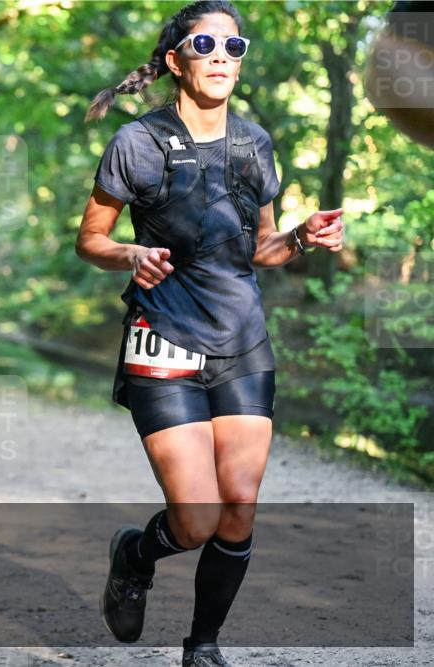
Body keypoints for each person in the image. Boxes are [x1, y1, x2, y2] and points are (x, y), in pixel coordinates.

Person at [75, 2, 345, 666]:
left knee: (240, 505)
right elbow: (91, 240)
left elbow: (262, 250)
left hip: (242, 342)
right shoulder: (137, 142)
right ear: (176, 61)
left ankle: (203, 645)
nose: (222, 54)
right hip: (162, 337)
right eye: (205, 42)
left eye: (234, 44)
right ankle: (136, 555)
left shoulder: (255, 143)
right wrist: (130, 255)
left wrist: (302, 238)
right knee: (195, 518)